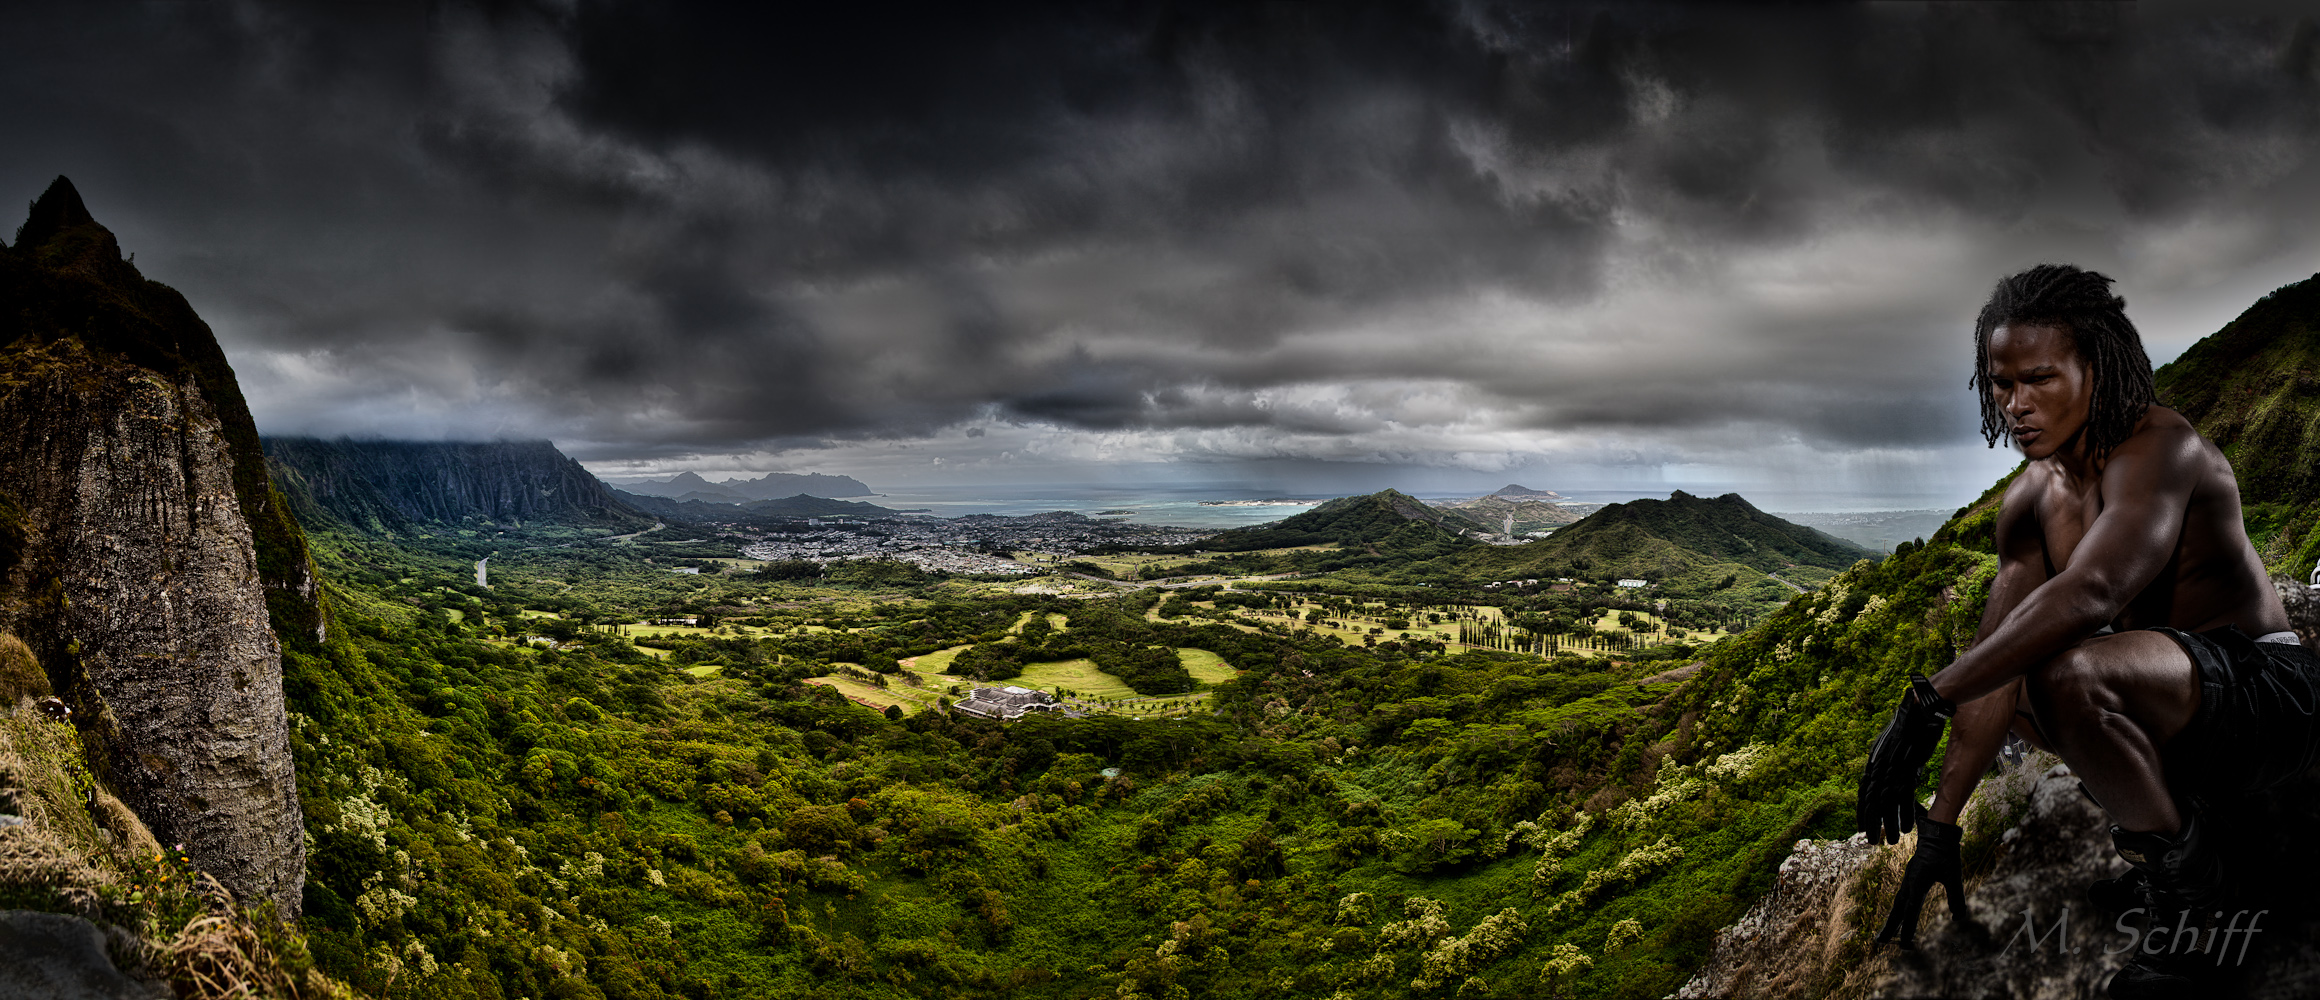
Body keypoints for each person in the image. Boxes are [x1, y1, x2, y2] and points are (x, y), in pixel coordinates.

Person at [1855, 264, 2320, 998]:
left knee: (2065, 672)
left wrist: (1924, 701)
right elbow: (1994, 659)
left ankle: (2196, 908)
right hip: (2174, 710)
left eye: (2039, 379)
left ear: (2095, 367)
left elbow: (2094, 588)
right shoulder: (2028, 502)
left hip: (2266, 695)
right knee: (2023, 671)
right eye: (2002, 385)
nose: (2016, 405)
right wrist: (1941, 830)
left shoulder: (2160, 446)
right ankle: (2180, 850)